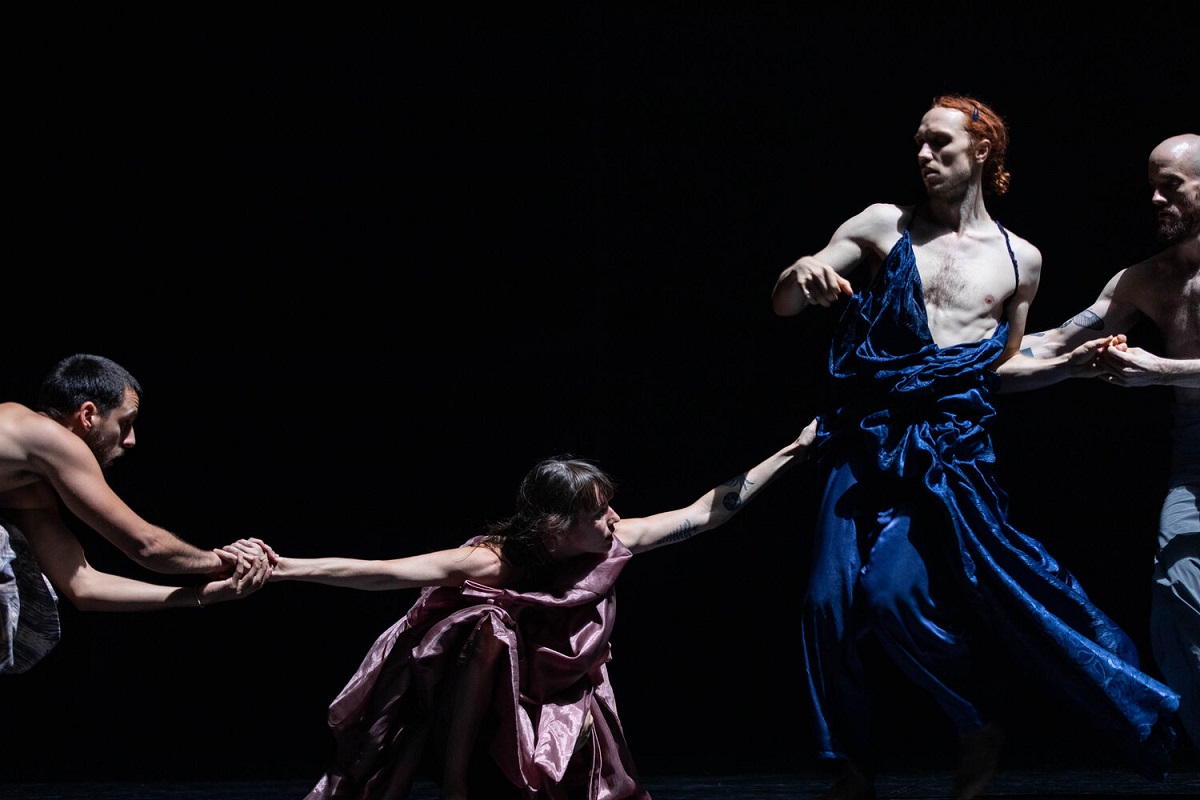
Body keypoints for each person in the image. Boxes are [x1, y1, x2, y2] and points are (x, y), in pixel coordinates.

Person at [771, 95, 1180, 800]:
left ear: (982, 150)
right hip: (865, 439)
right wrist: (802, 269)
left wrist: (1067, 366)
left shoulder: (1021, 259)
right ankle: (852, 768)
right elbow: (785, 301)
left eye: (941, 143)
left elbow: (1000, 368)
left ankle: (977, 725)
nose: (923, 155)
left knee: (895, 596)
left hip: (947, 450)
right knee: (826, 604)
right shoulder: (882, 224)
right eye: (919, 143)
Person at [257, 421, 817, 799]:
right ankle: (455, 787)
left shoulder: (613, 540)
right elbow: (385, 570)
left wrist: (793, 449)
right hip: (476, 712)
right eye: (599, 512)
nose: (614, 518)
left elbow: (706, 513)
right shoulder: (494, 560)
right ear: (556, 528)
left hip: (554, 705)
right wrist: (282, 568)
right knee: (486, 624)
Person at [1020, 133, 1200, 751]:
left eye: (1171, 186)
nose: (1156, 199)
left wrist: (1162, 371)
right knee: (1176, 601)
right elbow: (1056, 340)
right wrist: (960, 348)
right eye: (1152, 187)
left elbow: (1164, 371)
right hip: (1193, 455)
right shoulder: (1145, 279)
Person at [1, 353, 274, 675]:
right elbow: (146, 545)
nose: (130, 440)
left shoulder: (24, 482)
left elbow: (83, 585)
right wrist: (223, 562)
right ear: (88, 415)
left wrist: (199, 596)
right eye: (125, 422)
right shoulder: (48, 436)